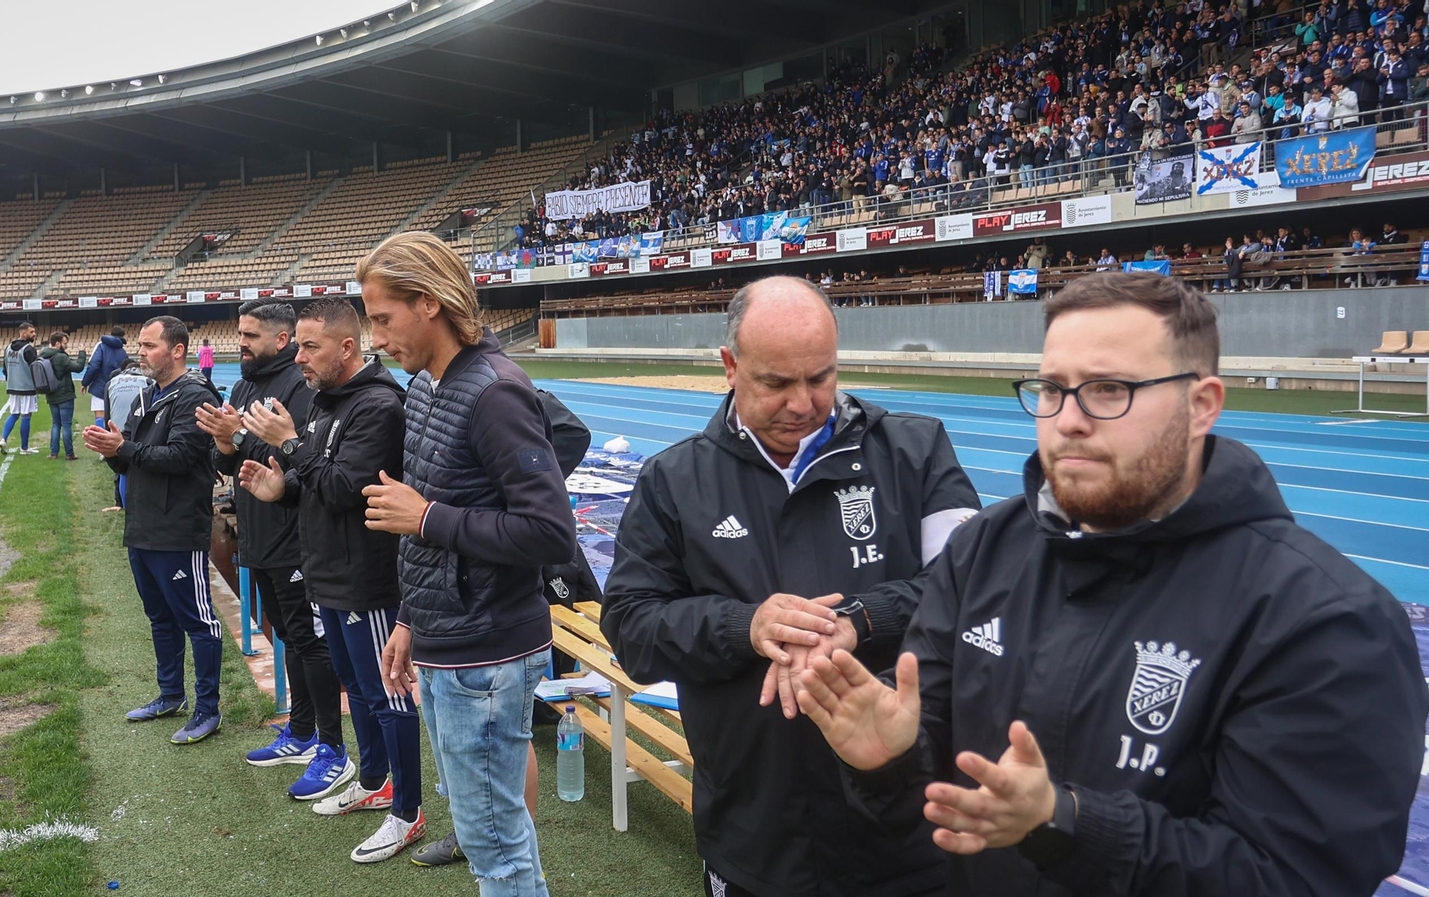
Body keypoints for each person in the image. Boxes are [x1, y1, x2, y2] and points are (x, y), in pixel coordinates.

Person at [794, 272, 1426, 897]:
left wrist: (1066, 825)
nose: (1068, 419)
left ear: (1201, 404)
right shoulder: (984, 549)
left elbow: (1297, 877)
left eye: (1107, 390)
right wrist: (891, 758)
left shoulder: (1327, 621)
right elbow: (931, 777)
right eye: (1051, 389)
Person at [601, 276, 982, 897]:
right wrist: (744, 627)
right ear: (729, 366)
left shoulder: (916, 451)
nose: (804, 403)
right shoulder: (673, 481)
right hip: (753, 833)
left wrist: (858, 620)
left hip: (905, 831)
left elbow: (971, 593)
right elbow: (632, 629)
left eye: (821, 378)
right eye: (776, 382)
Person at [365, 232, 575, 897]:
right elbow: (439, 518)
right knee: (490, 831)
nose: (375, 336)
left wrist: (426, 516)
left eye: (382, 317)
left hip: (486, 654)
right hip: (449, 640)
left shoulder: (493, 391)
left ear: (427, 303)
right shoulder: (428, 385)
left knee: (496, 845)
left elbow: (548, 532)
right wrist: (408, 620)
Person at [236, 297, 424, 863]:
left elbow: (347, 488)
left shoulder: (379, 405)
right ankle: (373, 781)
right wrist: (283, 487)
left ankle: (407, 811)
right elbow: (316, 483)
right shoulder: (326, 401)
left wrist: (289, 445)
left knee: (387, 692)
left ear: (348, 347)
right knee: (356, 686)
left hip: (366, 579)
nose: (300, 358)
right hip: (325, 570)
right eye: (297, 346)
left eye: (310, 347)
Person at [196, 298, 351, 802]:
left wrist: (236, 435)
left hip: (295, 537)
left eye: (250, 335)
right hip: (257, 535)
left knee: (311, 642)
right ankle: (302, 732)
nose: (239, 342)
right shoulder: (243, 385)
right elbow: (233, 460)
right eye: (239, 333)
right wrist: (224, 442)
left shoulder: (299, 388)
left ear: (280, 341)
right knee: (287, 636)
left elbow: (293, 459)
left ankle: (332, 746)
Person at [83, 316, 224, 744]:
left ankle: (208, 709)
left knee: (198, 622)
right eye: (140, 345)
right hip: (142, 525)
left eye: (148, 345)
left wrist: (125, 447)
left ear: (176, 350)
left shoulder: (196, 396)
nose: (139, 352)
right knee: (160, 617)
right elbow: (134, 458)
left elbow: (180, 457)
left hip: (177, 529)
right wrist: (113, 452)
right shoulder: (149, 394)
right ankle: (169, 695)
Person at [103, 359, 150, 511]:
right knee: (140, 464)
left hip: (116, 428)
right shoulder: (147, 380)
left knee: (122, 468)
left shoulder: (111, 382)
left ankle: (121, 503)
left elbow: (107, 411)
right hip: (139, 426)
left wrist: (107, 433)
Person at [39, 331, 88, 460]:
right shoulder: (60, 357)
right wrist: (82, 353)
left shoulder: (44, 355)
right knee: (66, 424)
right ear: (58, 343)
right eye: (65, 343)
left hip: (51, 394)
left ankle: (54, 453)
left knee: (56, 424)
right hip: (64, 394)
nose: (66, 345)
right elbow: (78, 367)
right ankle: (69, 453)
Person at [0, 322, 40, 455]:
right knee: (26, 416)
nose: (34, 334)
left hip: (12, 387)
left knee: (14, 414)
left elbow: (4, 369)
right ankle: (24, 448)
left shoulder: (8, 348)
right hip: (27, 388)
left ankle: (3, 439)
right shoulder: (29, 350)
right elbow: (36, 370)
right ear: (23, 333)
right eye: (31, 332)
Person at [82, 325, 129, 427]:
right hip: (117, 388)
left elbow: (93, 366)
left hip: (100, 387)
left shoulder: (101, 346)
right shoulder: (123, 353)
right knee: (114, 418)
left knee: (100, 417)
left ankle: (100, 440)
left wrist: (85, 383)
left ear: (111, 334)